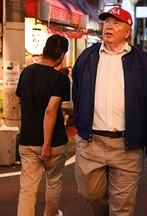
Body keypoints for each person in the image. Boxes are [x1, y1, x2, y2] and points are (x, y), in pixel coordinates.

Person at [72, 7, 147, 216]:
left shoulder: (142, 61)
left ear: (127, 32)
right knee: (91, 194)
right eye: (107, 22)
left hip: (128, 145)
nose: (109, 26)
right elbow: (77, 92)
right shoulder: (86, 57)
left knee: (123, 207)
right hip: (91, 143)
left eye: (116, 23)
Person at [16, 34, 70, 216]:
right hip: (53, 142)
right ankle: (51, 214)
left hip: (28, 140)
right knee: (53, 183)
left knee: (28, 188)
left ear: (44, 50)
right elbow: (51, 110)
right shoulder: (60, 79)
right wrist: (46, 144)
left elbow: (22, 101)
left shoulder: (27, 72)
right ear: (62, 55)